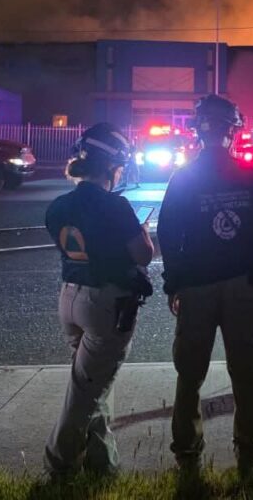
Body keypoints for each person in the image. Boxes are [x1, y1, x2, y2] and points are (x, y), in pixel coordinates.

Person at [158, 94, 253, 476]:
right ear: (233, 131)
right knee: (245, 373)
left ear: (197, 132)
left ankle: (187, 451)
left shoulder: (184, 177)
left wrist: (174, 283)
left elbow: (167, 234)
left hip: (195, 288)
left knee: (189, 374)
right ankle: (247, 449)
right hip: (243, 286)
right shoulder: (248, 174)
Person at [43, 122, 155, 478]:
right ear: (112, 166)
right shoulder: (115, 206)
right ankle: (59, 461)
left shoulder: (58, 206)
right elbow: (142, 255)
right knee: (84, 391)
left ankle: (101, 463)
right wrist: (143, 233)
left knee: (94, 383)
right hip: (106, 302)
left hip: (69, 297)